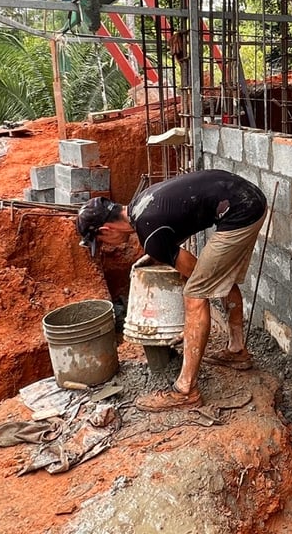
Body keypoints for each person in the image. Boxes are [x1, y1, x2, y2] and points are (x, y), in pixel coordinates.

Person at [75, 169, 267, 412]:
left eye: (101, 242)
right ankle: (236, 350)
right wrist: (158, 254)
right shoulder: (140, 203)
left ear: (105, 230)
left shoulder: (149, 233)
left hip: (240, 212)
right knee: (218, 277)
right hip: (247, 198)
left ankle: (186, 390)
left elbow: (195, 273)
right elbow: (171, 226)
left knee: (195, 294)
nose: (106, 247)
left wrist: (189, 326)